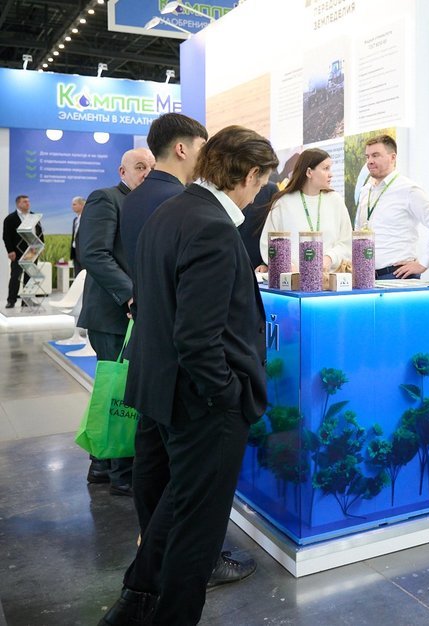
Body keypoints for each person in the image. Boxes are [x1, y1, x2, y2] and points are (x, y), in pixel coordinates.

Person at [100, 126, 276, 626]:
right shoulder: (212, 226)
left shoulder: (169, 210)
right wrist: (228, 394)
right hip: (201, 403)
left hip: (161, 389)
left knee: (174, 509)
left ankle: (136, 600)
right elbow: (198, 337)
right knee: (197, 531)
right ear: (249, 174)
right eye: (262, 181)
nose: (260, 192)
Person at [119, 113, 253, 589]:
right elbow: (197, 329)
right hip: (186, 380)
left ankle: (147, 580)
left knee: (158, 477)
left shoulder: (144, 199)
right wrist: (226, 391)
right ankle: (171, 578)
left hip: (153, 365)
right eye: (201, 145)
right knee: (188, 495)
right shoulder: (188, 208)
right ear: (184, 148)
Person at [78, 147, 154, 496]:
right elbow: (93, 253)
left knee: (115, 387)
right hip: (112, 314)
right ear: (122, 171)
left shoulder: (147, 205)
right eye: (139, 167)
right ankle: (121, 473)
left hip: (134, 314)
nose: (146, 172)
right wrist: (130, 294)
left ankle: (100, 465)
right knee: (121, 390)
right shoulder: (106, 198)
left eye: (151, 167)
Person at [121, 113, 208, 283]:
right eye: (202, 148)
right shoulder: (186, 201)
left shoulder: (131, 198)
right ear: (181, 149)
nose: (205, 157)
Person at [354, 134, 429, 279]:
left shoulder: (407, 189)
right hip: (367, 276)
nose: (370, 161)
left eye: (376, 155)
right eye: (367, 156)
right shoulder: (366, 191)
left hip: (397, 275)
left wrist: (424, 263)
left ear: (393, 157)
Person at [260, 148, 352, 273]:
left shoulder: (336, 201)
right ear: (309, 172)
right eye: (325, 168)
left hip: (329, 280)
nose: (331, 174)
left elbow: (347, 242)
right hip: (292, 279)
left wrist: (330, 258)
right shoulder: (283, 203)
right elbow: (268, 244)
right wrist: (287, 266)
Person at [3, 195, 44, 308]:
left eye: (28, 201)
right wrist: (10, 250)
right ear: (18, 204)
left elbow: (39, 232)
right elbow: (6, 236)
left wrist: (41, 247)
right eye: (25, 201)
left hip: (33, 251)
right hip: (18, 252)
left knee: (29, 277)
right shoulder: (10, 218)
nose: (28, 203)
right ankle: (11, 301)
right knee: (15, 277)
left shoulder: (34, 216)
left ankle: (27, 301)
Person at [239, 182, 279, 271]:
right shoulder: (221, 188)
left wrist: (266, 263)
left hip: (256, 268)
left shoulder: (269, 190)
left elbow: (275, 231)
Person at [70, 196, 85, 276]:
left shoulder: (87, 219)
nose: (72, 207)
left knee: (83, 275)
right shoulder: (75, 220)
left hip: (83, 252)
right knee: (77, 275)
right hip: (75, 252)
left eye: (74, 204)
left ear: (81, 205)